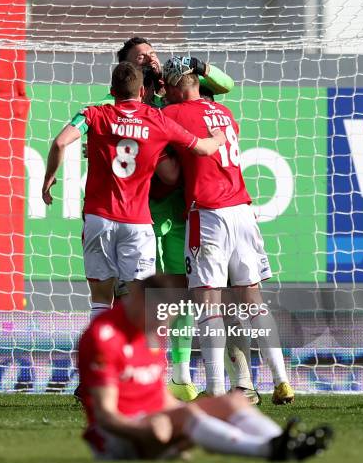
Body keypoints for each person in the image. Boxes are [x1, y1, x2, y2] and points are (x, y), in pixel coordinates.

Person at [94, 37, 236, 402]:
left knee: (184, 291)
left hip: (184, 208)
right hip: (144, 211)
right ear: (131, 69)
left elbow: (226, 84)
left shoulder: (180, 87)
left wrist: (200, 65)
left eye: (153, 53)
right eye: (141, 57)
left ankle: (181, 374)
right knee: (145, 291)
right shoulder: (134, 106)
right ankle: (134, 370)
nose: (152, 59)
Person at [41, 61, 226, 320]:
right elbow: (204, 148)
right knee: (139, 301)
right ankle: (140, 359)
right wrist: (218, 137)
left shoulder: (93, 115)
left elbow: (60, 142)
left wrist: (49, 178)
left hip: (98, 218)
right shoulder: (158, 120)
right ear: (142, 92)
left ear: (112, 91)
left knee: (101, 300)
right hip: (138, 223)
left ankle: (99, 357)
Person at [78, 276, 332, 462]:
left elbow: (157, 397)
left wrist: (176, 417)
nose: (161, 324)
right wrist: (149, 430)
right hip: (117, 439)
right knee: (186, 419)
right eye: (158, 316)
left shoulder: (151, 329)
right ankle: (269, 451)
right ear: (137, 301)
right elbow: (105, 416)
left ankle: (288, 442)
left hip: (157, 420)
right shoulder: (104, 336)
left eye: (166, 318)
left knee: (233, 401)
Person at [161, 56, 295, 405]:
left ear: (175, 87)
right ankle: (282, 380)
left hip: (208, 214)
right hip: (243, 211)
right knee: (253, 301)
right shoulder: (224, 114)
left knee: (209, 305)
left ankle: (216, 388)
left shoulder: (173, 114)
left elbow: (167, 164)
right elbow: (225, 86)